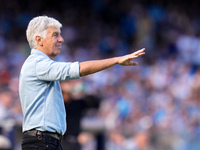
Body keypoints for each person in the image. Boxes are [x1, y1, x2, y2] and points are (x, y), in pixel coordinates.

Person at [19, 15, 145, 150]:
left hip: (45, 141)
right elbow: (78, 69)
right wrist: (116, 60)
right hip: (41, 141)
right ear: (39, 40)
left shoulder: (39, 65)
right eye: (55, 35)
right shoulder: (37, 63)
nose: (61, 39)